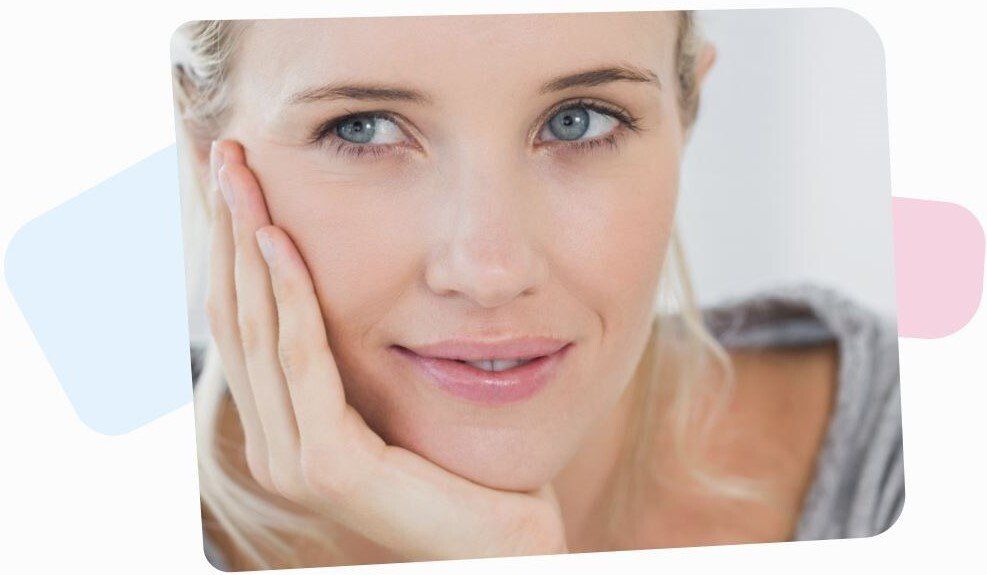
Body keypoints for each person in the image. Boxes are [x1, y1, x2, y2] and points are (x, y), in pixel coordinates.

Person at [171, 11, 903, 571]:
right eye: (362, 129)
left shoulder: (910, 457)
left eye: (577, 121)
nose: (490, 272)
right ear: (207, 151)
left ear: (685, 120)